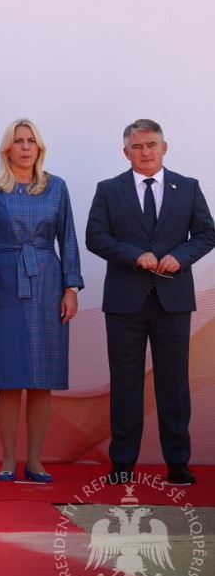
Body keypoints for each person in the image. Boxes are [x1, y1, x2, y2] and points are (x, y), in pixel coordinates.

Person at [86, 119, 215, 486]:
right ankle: (122, 464)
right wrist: (132, 255)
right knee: (125, 384)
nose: (145, 152)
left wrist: (180, 257)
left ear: (164, 148)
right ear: (126, 152)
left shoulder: (188, 187)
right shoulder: (109, 190)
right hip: (124, 302)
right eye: (137, 146)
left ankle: (178, 463)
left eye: (151, 145)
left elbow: (206, 233)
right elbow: (95, 236)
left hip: (173, 300)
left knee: (174, 384)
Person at [0, 119, 83, 483]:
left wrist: (71, 288)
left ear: (40, 148)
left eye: (31, 141)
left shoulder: (56, 187)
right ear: (7, 148)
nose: (25, 147)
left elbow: (68, 240)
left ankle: (35, 461)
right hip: (3, 282)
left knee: (41, 378)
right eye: (18, 141)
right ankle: (7, 459)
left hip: (47, 281)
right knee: (8, 375)